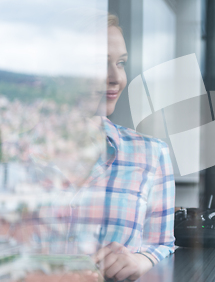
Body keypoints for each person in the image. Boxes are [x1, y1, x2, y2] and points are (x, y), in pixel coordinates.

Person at [24, 15, 175, 282]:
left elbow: (161, 244)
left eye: (120, 63)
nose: (116, 77)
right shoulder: (16, 156)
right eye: (99, 63)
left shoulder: (152, 155)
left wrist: (141, 260)